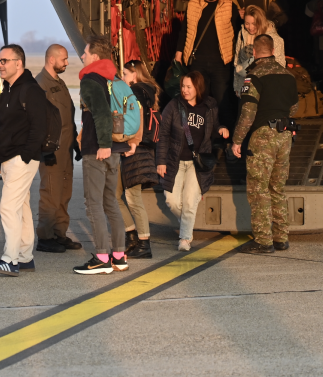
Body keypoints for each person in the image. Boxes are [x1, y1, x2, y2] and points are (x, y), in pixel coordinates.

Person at [74, 38, 141, 275]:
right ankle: (119, 256)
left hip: (98, 150)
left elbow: (101, 114)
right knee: (111, 202)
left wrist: (102, 145)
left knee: (93, 204)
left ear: (94, 57)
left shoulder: (91, 80)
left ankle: (102, 258)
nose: (82, 56)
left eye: (84, 52)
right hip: (114, 149)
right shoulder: (113, 79)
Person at [231, 35, 298, 254]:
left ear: (256, 52)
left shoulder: (254, 77)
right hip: (285, 135)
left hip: (263, 136)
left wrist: (237, 140)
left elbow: (247, 113)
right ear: (272, 50)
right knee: (277, 188)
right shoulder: (289, 76)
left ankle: (263, 240)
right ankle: (281, 238)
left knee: (259, 188)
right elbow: (295, 108)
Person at [0, 44, 46, 277]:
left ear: (18, 63)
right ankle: (25, 257)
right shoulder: (7, 90)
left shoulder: (31, 90)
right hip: (9, 158)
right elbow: (2, 129)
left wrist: (26, 155)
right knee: (21, 206)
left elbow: (39, 127)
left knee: (8, 207)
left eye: (4, 61)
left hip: (22, 158)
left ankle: (9, 259)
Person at [158, 71, 228, 251]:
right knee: (171, 201)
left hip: (197, 164)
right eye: (183, 86)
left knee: (189, 201)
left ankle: (185, 238)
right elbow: (163, 135)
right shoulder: (173, 106)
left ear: (198, 88)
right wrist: (161, 161)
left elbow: (214, 127)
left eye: (189, 87)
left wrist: (221, 129)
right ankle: (186, 225)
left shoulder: (209, 105)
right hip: (175, 161)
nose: (184, 90)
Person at [175, 0, 239, 130]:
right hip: (197, 61)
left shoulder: (229, 5)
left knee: (222, 102)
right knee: (199, 102)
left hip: (221, 62)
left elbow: (238, 33)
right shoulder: (193, 4)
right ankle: (202, 139)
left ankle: (228, 141)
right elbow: (185, 30)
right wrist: (179, 52)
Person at [35, 44, 82, 253]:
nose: (66, 62)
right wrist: (45, 149)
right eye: (63, 59)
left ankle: (59, 233)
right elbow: (38, 122)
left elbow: (66, 116)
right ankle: (46, 237)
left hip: (67, 148)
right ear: (51, 59)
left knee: (64, 192)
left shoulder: (59, 83)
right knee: (51, 193)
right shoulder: (40, 84)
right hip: (52, 151)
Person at [117, 60, 162, 259]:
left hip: (136, 149)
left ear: (134, 74)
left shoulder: (137, 92)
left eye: (125, 73)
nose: (123, 77)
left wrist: (132, 142)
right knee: (114, 194)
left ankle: (143, 243)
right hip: (137, 148)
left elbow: (135, 117)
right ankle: (132, 236)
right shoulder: (148, 91)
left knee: (133, 198)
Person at [234, 5, 286, 95]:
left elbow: (280, 66)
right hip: (246, 87)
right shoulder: (242, 34)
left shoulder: (275, 39)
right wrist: (237, 86)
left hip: (266, 89)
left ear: (261, 21)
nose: (250, 27)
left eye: (254, 23)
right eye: (247, 23)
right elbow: (237, 62)